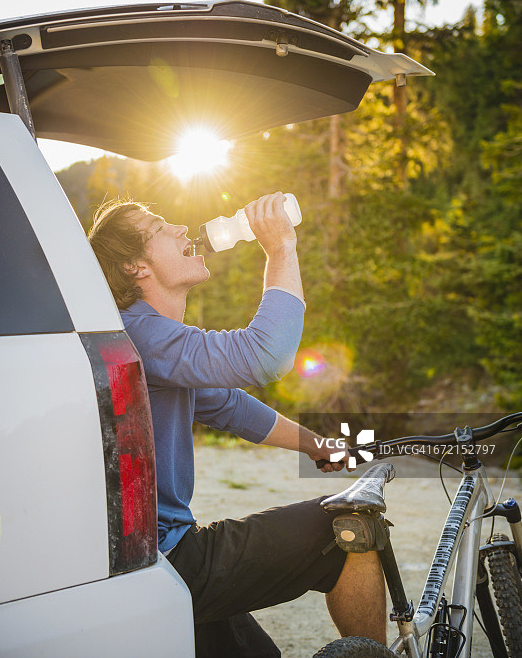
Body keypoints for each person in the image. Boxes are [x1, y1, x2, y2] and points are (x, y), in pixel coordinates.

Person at [88, 192, 386, 656]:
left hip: (154, 559)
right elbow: (265, 355)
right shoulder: (139, 332)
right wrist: (281, 249)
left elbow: (229, 407)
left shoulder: (146, 338)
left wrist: (316, 445)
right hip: (166, 560)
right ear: (134, 267)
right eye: (160, 226)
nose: (182, 229)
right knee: (350, 524)